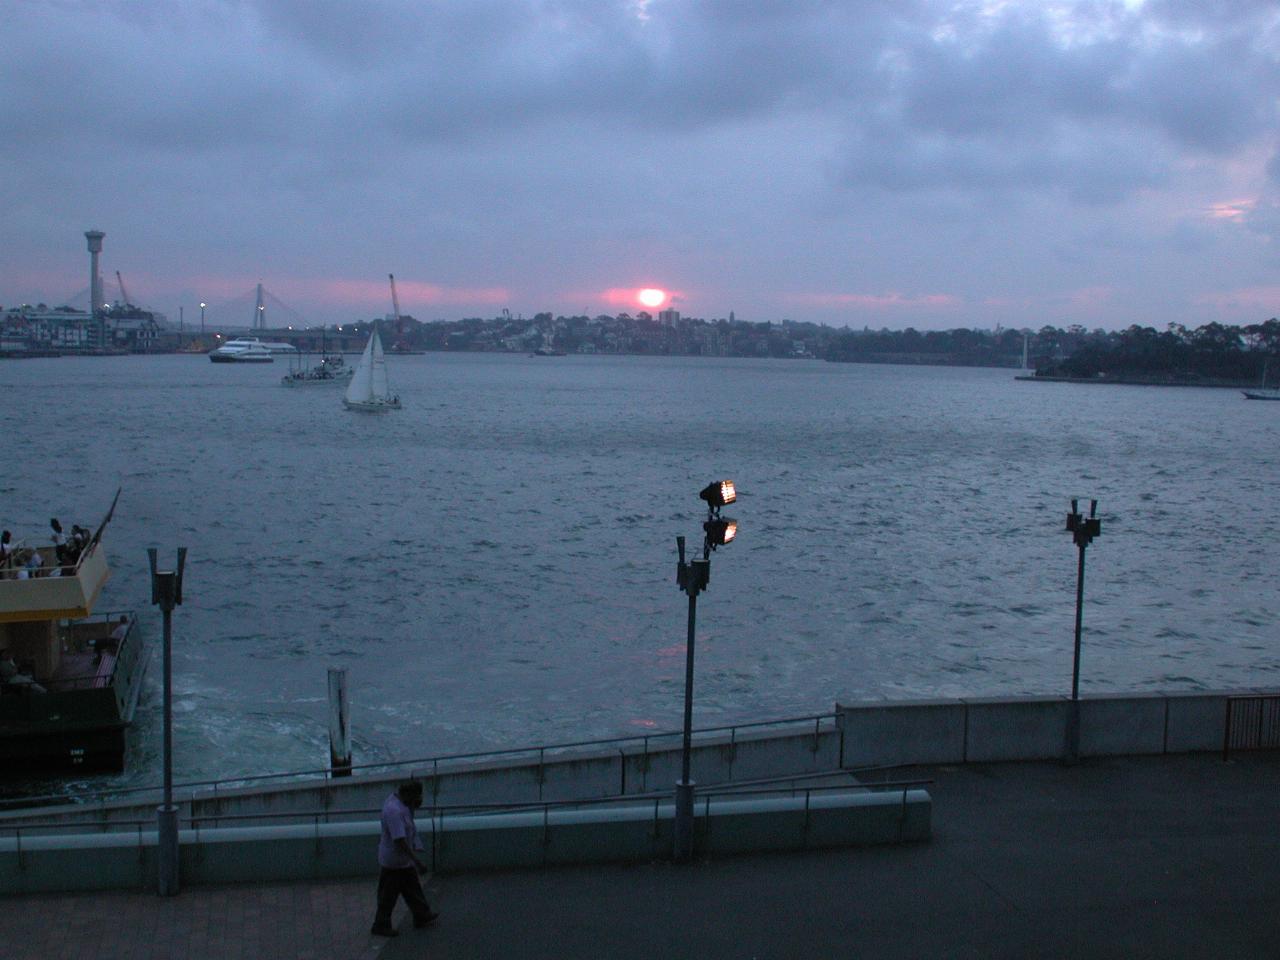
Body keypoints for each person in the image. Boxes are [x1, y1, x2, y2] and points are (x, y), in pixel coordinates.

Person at [371, 780, 438, 937]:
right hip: (394, 861)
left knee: (412, 888)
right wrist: (417, 861)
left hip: (400, 860)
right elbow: (399, 840)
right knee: (388, 895)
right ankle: (380, 924)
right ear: (408, 794)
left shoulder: (399, 804)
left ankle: (422, 914)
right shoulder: (394, 811)